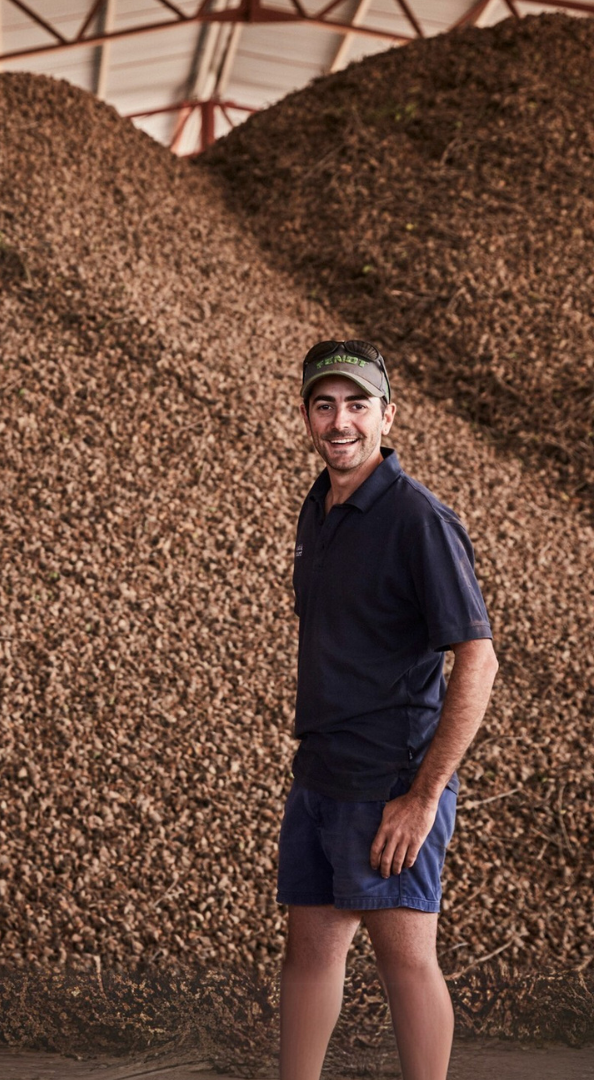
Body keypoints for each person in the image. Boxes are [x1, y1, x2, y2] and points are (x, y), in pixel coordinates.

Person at [277, 341, 498, 1080]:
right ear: (307, 416)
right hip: (321, 774)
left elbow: (478, 660)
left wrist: (423, 797)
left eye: (357, 405)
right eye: (325, 405)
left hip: (391, 782)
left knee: (406, 962)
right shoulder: (320, 507)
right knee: (309, 954)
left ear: (387, 416)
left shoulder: (418, 520)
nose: (340, 421)